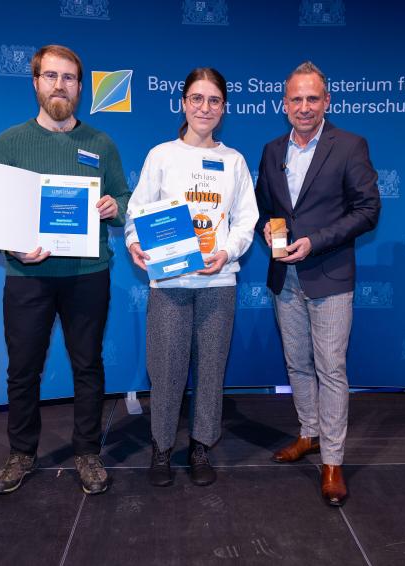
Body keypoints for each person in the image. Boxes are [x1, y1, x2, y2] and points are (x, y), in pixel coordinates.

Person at [0, 45, 130, 496]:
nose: (60, 85)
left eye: (69, 78)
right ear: (35, 83)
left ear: (80, 87)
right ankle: (21, 453)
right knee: (23, 369)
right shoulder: (9, 143)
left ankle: (87, 452)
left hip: (88, 275)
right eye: (51, 76)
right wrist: (14, 246)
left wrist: (114, 206)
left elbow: (126, 200)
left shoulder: (101, 143)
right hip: (27, 278)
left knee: (87, 365)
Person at [255, 61, 381, 506]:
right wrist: (267, 232)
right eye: (296, 99)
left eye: (312, 98)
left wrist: (315, 242)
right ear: (283, 104)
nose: (304, 107)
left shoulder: (349, 146)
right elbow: (264, 208)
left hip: (329, 275)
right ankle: (308, 434)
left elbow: (368, 211)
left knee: (330, 368)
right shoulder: (272, 151)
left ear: (327, 101)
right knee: (298, 365)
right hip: (283, 277)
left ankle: (332, 459)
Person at [125, 68, 257, 487]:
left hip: (218, 283)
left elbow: (246, 222)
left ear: (223, 108)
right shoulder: (161, 155)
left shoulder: (234, 161)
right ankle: (161, 448)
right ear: (183, 103)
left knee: (211, 369)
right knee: (165, 369)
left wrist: (227, 252)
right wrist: (133, 243)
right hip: (170, 284)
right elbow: (137, 212)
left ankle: (200, 445)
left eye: (214, 100)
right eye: (197, 99)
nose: (205, 107)